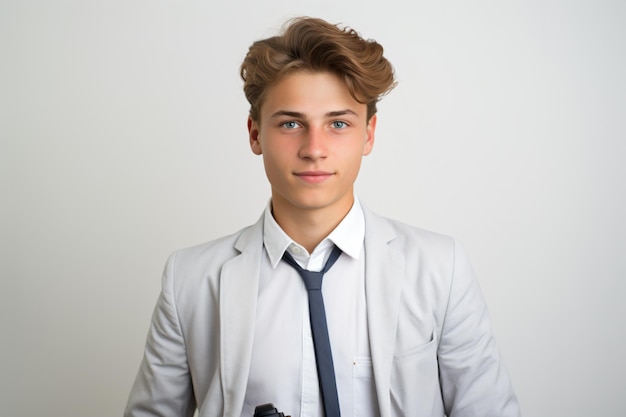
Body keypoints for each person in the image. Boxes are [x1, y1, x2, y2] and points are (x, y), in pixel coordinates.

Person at [124, 16, 521, 417]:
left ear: (368, 134)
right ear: (255, 134)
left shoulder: (440, 268)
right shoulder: (190, 279)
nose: (315, 148)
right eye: (291, 123)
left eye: (338, 123)